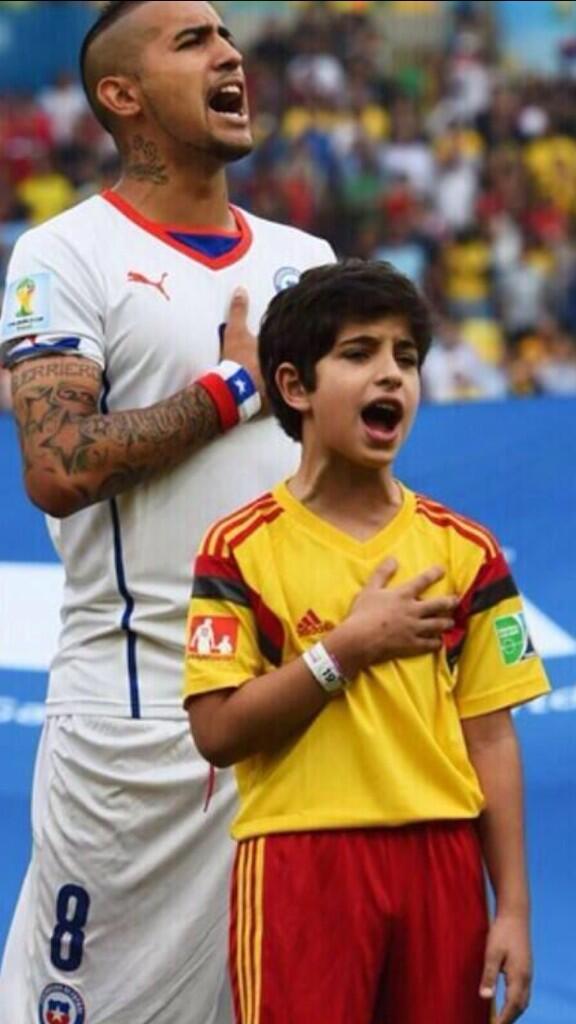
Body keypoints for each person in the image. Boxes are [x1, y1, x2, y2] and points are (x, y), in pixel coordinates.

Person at [0, 3, 338, 1023]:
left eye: (228, 36)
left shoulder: (306, 258)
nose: (230, 52)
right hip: (138, 728)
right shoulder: (63, 253)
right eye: (192, 41)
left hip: (295, 713)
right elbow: (57, 465)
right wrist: (229, 392)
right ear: (121, 94)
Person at [184, 260, 551, 1024]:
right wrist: (345, 650)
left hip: (442, 866)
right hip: (299, 865)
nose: (391, 376)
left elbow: (490, 737)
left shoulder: (465, 550)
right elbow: (216, 731)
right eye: (359, 354)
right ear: (295, 387)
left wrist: (511, 906)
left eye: (406, 358)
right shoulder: (239, 547)